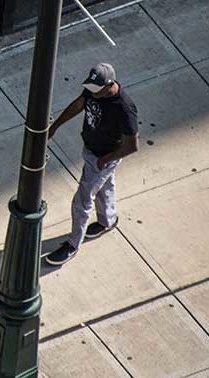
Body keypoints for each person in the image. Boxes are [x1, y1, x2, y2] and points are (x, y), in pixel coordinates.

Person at [45, 63, 139, 266]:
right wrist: (55, 126)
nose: (92, 93)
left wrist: (105, 160)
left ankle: (72, 245)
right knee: (105, 186)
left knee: (83, 200)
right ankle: (108, 220)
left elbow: (132, 146)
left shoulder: (124, 108)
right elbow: (79, 104)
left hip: (103, 156)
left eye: (97, 90)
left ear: (110, 85)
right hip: (91, 149)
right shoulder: (93, 90)